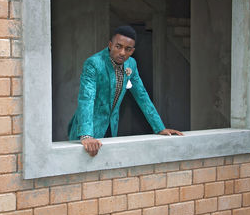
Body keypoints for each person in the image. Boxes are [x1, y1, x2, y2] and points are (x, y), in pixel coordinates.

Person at [68, 25, 183, 156]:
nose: (122, 52)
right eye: (118, 46)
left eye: (127, 49)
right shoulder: (93, 63)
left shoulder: (131, 64)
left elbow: (142, 96)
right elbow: (86, 98)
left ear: (132, 51)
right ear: (110, 45)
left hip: (112, 128)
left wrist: (160, 128)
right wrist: (86, 135)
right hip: (87, 130)